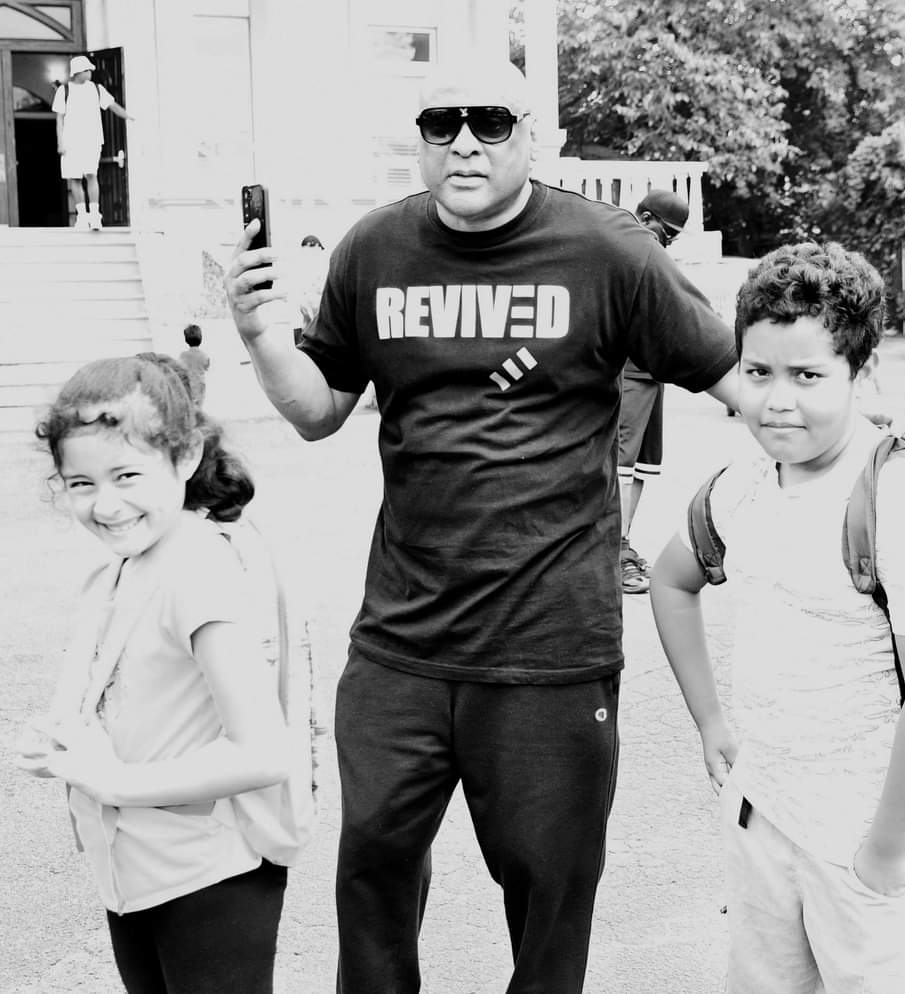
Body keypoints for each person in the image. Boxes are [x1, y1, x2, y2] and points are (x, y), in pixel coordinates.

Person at [225, 56, 739, 994]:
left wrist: (859, 470)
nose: (465, 140)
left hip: (551, 648)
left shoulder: (612, 250)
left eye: (490, 121)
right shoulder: (373, 249)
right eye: (442, 122)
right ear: (418, 140)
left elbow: (746, 384)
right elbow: (316, 410)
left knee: (549, 899)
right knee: (371, 878)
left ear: (529, 134)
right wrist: (259, 333)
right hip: (400, 648)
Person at [650, 242, 905, 993]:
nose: (777, 400)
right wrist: (710, 722)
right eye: (758, 372)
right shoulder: (743, 482)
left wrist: (887, 852)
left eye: (808, 376)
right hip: (765, 813)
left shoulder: (896, 495)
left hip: (869, 828)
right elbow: (672, 581)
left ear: (861, 375)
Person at [15, 355, 291, 994]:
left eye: (127, 475)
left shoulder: (198, 571)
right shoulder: (123, 566)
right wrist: (62, 737)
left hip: (210, 878)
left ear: (187, 456)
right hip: (136, 874)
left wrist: (113, 781)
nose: (105, 505)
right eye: (79, 483)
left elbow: (262, 752)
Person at [617, 189, 689, 594]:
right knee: (621, 469)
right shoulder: (624, 246)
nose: (668, 241)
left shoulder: (654, 253)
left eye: (674, 237)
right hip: (626, 375)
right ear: (645, 217)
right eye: (666, 231)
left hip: (651, 374)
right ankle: (613, 551)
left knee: (641, 469)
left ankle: (621, 541)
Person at [51, 55, 134, 231]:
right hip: (71, 140)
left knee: (91, 175)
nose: (90, 73)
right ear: (77, 72)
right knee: (74, 177)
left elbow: (113, 105)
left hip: (92, 139)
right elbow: (60, 119)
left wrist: (130, 116)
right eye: (87, 70)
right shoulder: (64, 90)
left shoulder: (96, 89)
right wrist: (60, 142)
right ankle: (82, 216)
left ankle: (95, 215)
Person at [178, 322, 211, 406]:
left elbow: (179, 368)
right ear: (201, 338)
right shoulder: (204, 355)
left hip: (188, 386)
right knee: (199, 407)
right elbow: (207, 367)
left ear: (186, 339)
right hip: (200, 385)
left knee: (190, 407)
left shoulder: (183, 355)